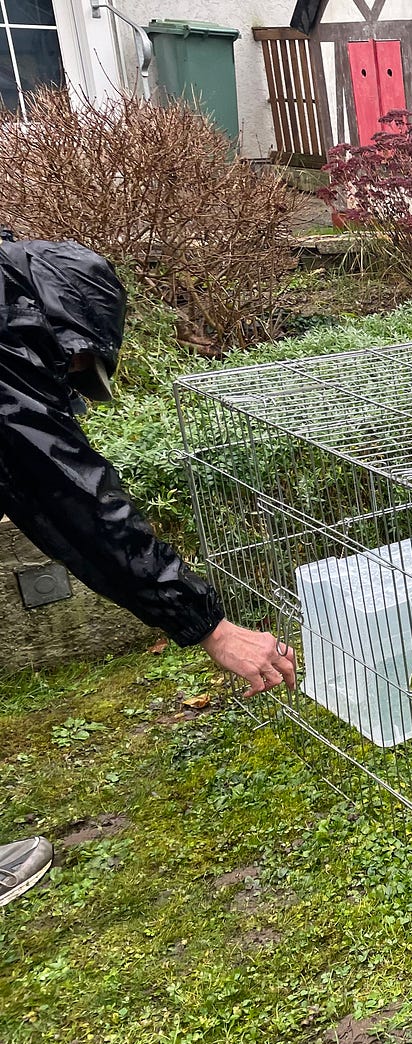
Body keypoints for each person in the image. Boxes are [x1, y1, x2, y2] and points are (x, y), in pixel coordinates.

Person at [0, 238, 297, 907]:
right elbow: (73, 498)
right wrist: (210, 626)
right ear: (63, 328)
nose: (72, 379)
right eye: (76, 366)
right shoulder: (8, 337)